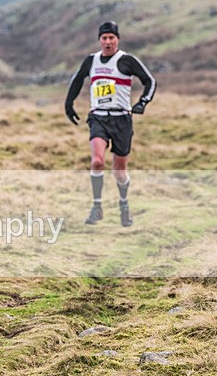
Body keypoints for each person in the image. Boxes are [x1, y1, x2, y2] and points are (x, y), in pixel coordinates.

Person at [64, 21, 156, 227]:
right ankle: (97, 208)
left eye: (111, 38)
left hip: (122, 119)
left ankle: (124, 206)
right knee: (97, 161)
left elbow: (150, 81)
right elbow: (77, 80)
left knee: (119, 171)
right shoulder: (91, 61)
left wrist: (142, 103)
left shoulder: (127, 60)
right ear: (99, 40)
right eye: (104, 38)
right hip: (98, 117)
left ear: (117, 39)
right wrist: (68, 104)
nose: (107, 42)